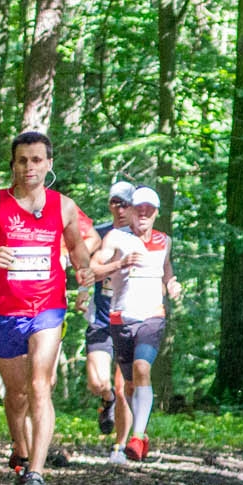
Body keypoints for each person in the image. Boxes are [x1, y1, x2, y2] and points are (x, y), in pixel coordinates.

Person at [0, 131, 93, 485]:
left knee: (39, 385)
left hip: (47, 307)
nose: (29, 167)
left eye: (37, 160)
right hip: (3, 312)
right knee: (16, 395)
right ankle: (20, 449)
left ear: (48, 164)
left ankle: (36, 475)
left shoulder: (62, 206)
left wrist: (84, 270)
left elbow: (78, 245)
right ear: (13, 165)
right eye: (22, 161)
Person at [88, 186, 181, 463]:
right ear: (130, 211)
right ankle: (140, 433)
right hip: (120, 318)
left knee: (143, 369)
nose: (142, 213)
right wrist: (120, 264)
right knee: (128, 386)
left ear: (155, 214)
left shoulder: (165, 241)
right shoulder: (116, 237)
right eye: (138, 208)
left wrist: (172, 284)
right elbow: (93, 269)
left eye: (148, 210)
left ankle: (137, 437)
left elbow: (167, 272)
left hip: (152, 316)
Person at [87, 181, 134, 454]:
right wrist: (83, 290)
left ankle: (119, 447)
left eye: (125, 203)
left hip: (130, 320)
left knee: (123, 384)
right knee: (99, 383)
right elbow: (86, 268)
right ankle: (107, 401)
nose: (119, 208)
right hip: (101, 321)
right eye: (114, 202)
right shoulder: (100, 234)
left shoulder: (144, 237)